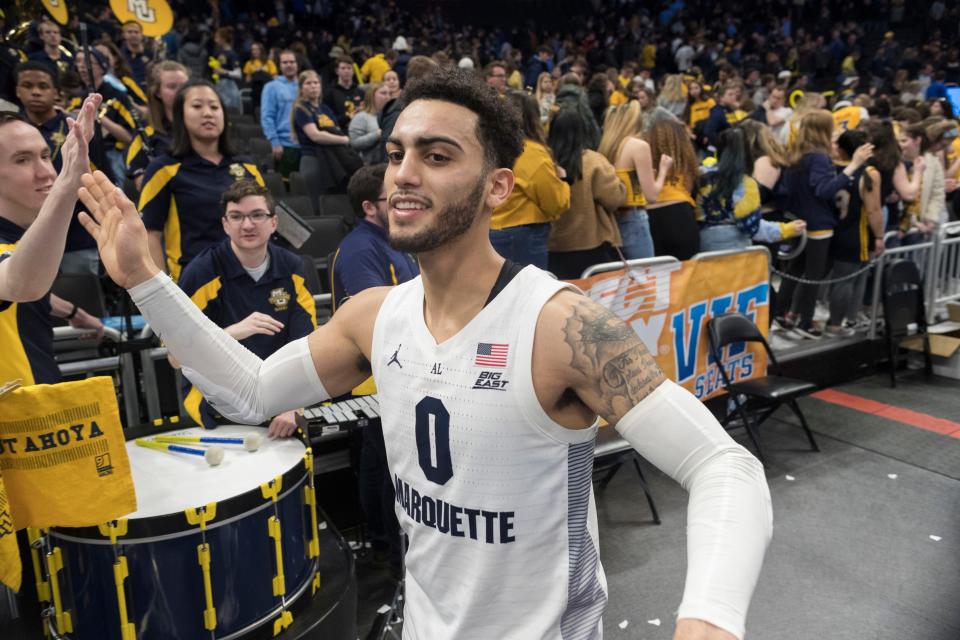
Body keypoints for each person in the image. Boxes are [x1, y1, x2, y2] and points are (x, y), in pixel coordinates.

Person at [80, 67, 771, 640]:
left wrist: (708, 621)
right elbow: (251, 393)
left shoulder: (559, 324)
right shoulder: (374, 317)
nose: (404, 173)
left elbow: (724, 465)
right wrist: (146, 281)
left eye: (437, 156)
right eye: (396, 153)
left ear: (497, 187)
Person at [176, 180, 315, 437]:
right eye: (237, 217)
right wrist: (232, 333)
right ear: (225, 224)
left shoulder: (293, 267)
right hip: (218, 399)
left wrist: (295, 406)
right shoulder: (201, 273)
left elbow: (307, 346)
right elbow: (175, 358)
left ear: (274, 222)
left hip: (280, 392)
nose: (248, 225)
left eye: (257, 215)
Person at [0, 98, 102, 386]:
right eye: (22, 160)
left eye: (45, 155)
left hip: (40, 415)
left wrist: (72, 312)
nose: (46, 172)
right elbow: (21, 285)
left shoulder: (21, 239)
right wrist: (67, 187)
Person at [139, 80, 264, 280]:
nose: (208, 113)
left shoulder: (247, 166)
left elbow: (264, 220)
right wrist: (163, 291)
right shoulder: (163, 169)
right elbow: (149, 234)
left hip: (249, 279)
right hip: (194, 282)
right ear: (181, 115)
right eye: (197, 106)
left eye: (214, 107)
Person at [775, 110, 873, 338]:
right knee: (813, 276)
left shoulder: (796, 154)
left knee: (794, 271)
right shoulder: (819, 157)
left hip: (797, 222)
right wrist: (852, 167)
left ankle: (780, 314)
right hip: (818, 225)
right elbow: (824, 190)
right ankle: (805, 323)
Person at [15, 61, 111, 275]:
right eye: (28, 86)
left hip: (75, 238)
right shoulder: (10, 132)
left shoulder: (78, 130)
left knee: (83, 301)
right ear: (17, 91)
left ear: (56, 92)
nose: (36, 92)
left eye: (43, 86)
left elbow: (101, 182)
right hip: (22, 239)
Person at [490, 91, 570, 269]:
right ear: (533, 117)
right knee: (528, 295)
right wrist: (564, 181)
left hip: (492, 231)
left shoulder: (490, 147)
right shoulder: (531, 153)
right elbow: (555, 202)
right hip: (522, 238)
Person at [546, 108, 626, 279]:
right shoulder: (593, 161)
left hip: (554, 246)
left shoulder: (545, 162)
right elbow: (614, 199)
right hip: (593, 244)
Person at [696, 128, 805, 251]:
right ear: (748, 153)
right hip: (734, 254)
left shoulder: (700, 175)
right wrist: (787, 229)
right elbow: (752, 228)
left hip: (702, 251)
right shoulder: (745, 184)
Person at [332, 163, 419, 308]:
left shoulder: (396, 240)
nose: (404, 201)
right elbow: (370, 313)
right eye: (394, 196)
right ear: (369, 208)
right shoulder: (359, 249)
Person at [825, 129, 884, 338]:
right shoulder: (869, 173)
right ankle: (835, 325)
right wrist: (879, 235)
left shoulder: (831, 168)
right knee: (847, 281)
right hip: (854, 233)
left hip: (830, 230)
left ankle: (819, 320)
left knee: (833, 278)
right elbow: (873, 209)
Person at [597, 101, 671, 260]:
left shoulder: (606, 146)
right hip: (633, 219)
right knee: (644, 277)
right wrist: (664, 169)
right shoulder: (638, 146)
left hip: (611, 221)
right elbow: (651, 195)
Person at [291, 70, 358, 207]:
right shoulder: (301, 109)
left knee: (334, 201)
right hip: (312, 160)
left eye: (316, 83)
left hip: (332, 159)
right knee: (317, 202)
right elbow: (315, 135)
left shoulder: (325, 109)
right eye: (308, 83)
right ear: (301, 88)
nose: (313, 86)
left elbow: (337, 129)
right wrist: (344, 140)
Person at [644, 109, 701, 260]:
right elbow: (688, 188)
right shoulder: (683, 159)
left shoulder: (646, 158)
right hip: (679, 212)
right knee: (686, 271)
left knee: (658, 277)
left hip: (649, 215)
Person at [126, 60, 190, 188]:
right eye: (172, 87)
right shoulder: (145, 129)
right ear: (157, 92)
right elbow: (139, 178)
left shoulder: (202, 124)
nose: (180, 91)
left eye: (185, 86)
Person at [260, 50, 301, 178]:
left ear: (297, 64)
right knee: (289, 190)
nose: (289, 65)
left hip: (308, 145)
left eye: (292, 62)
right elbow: (267, 117)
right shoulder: (271, 87)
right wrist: (275, 142)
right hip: (285, 145)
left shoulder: (305, 85)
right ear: (279, 65)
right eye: (285, 62)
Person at [349, 82, 390, 164]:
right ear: (371, 96)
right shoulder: (361, 117)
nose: (388, 97)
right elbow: (354, 143)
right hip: (370, 166)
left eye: (389, 93)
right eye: (383, 93)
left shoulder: (391, 116)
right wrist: (376, 135)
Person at [324, 57, 364, 130]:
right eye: (343, 68)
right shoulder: (329, 93)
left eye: (349, 68)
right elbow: (329, 119)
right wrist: (348, 117)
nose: (346, 71)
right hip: (341, 130)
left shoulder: (360, 91)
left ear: (353, 71)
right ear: (337, 71)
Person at [119, 20, 152, 89]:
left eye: (136, 32)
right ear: (124, 34)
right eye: (130, 32)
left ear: (142, 35)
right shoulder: (119, 55)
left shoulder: (150, 53)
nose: (133, 35)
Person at [243, 42, 276, 109]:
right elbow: (247, 80)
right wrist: (255, 73)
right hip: (256, 91)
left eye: (256, 49)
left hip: (267, 91)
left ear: (261, 50)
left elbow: (274, 78)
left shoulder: (269, 62)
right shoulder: (249, 63)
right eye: (253, 49)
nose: (254, 51)